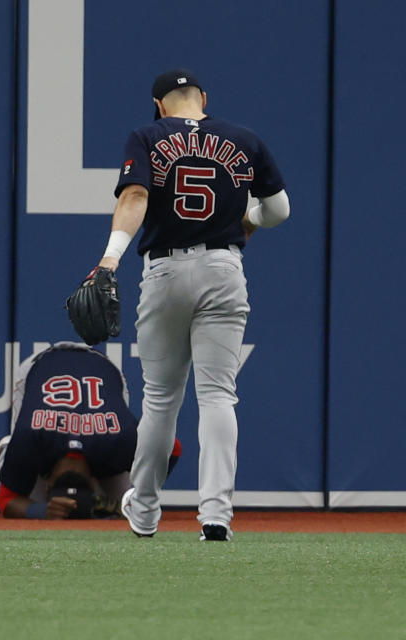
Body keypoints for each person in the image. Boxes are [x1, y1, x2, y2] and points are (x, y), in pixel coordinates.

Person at [92, 69, 290, 540]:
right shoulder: (245, 139)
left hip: (165, 270)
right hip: (224, 268)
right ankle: (216, 516)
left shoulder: (147, 135)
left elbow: (136, 195)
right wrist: (250, 219)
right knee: (219, 395)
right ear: (203, 98)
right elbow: (279, 209)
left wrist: (109, 259)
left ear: (160, 106)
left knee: (161, 400)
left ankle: (143, 512)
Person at [0, 342, 181, 519]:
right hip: (48, 368)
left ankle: (9, 453)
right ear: (94, 484)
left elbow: (173, 448)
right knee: (0, 494)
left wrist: (139, 497)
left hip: (98, 369)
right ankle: (8, 453)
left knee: (124, 506)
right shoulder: (30, 438)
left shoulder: (119, 441)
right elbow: (172, 447)